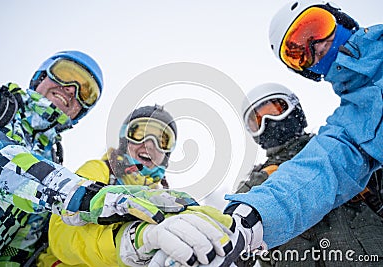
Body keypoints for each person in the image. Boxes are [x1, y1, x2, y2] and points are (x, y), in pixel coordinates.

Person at [117, 1, 383, 265]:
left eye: (318, 28)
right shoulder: (351, 135)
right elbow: (322, 170)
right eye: (299, 53)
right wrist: (245, 220)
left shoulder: (346, 137)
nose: (317, 47)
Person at [0, 51, 165, 266]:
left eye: (85, 92)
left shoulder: (52, 160)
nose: (71, 89)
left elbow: (20, 245)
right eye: (65, 73)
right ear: (41, 76)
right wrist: (82, 196)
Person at [235, 82, 383, 266]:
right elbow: (234, 250)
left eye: (275, 110)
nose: (269, 122)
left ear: (294, 110)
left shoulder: (347, 152)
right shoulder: (255, 188)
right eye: (257, 120)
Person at [36, 104, 203, 266]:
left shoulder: (164, 200)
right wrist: (125, 243)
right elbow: (61, 236)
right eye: (140, 133)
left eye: (162, 140)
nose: (150, 144)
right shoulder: (100, 171)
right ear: (124, 140)